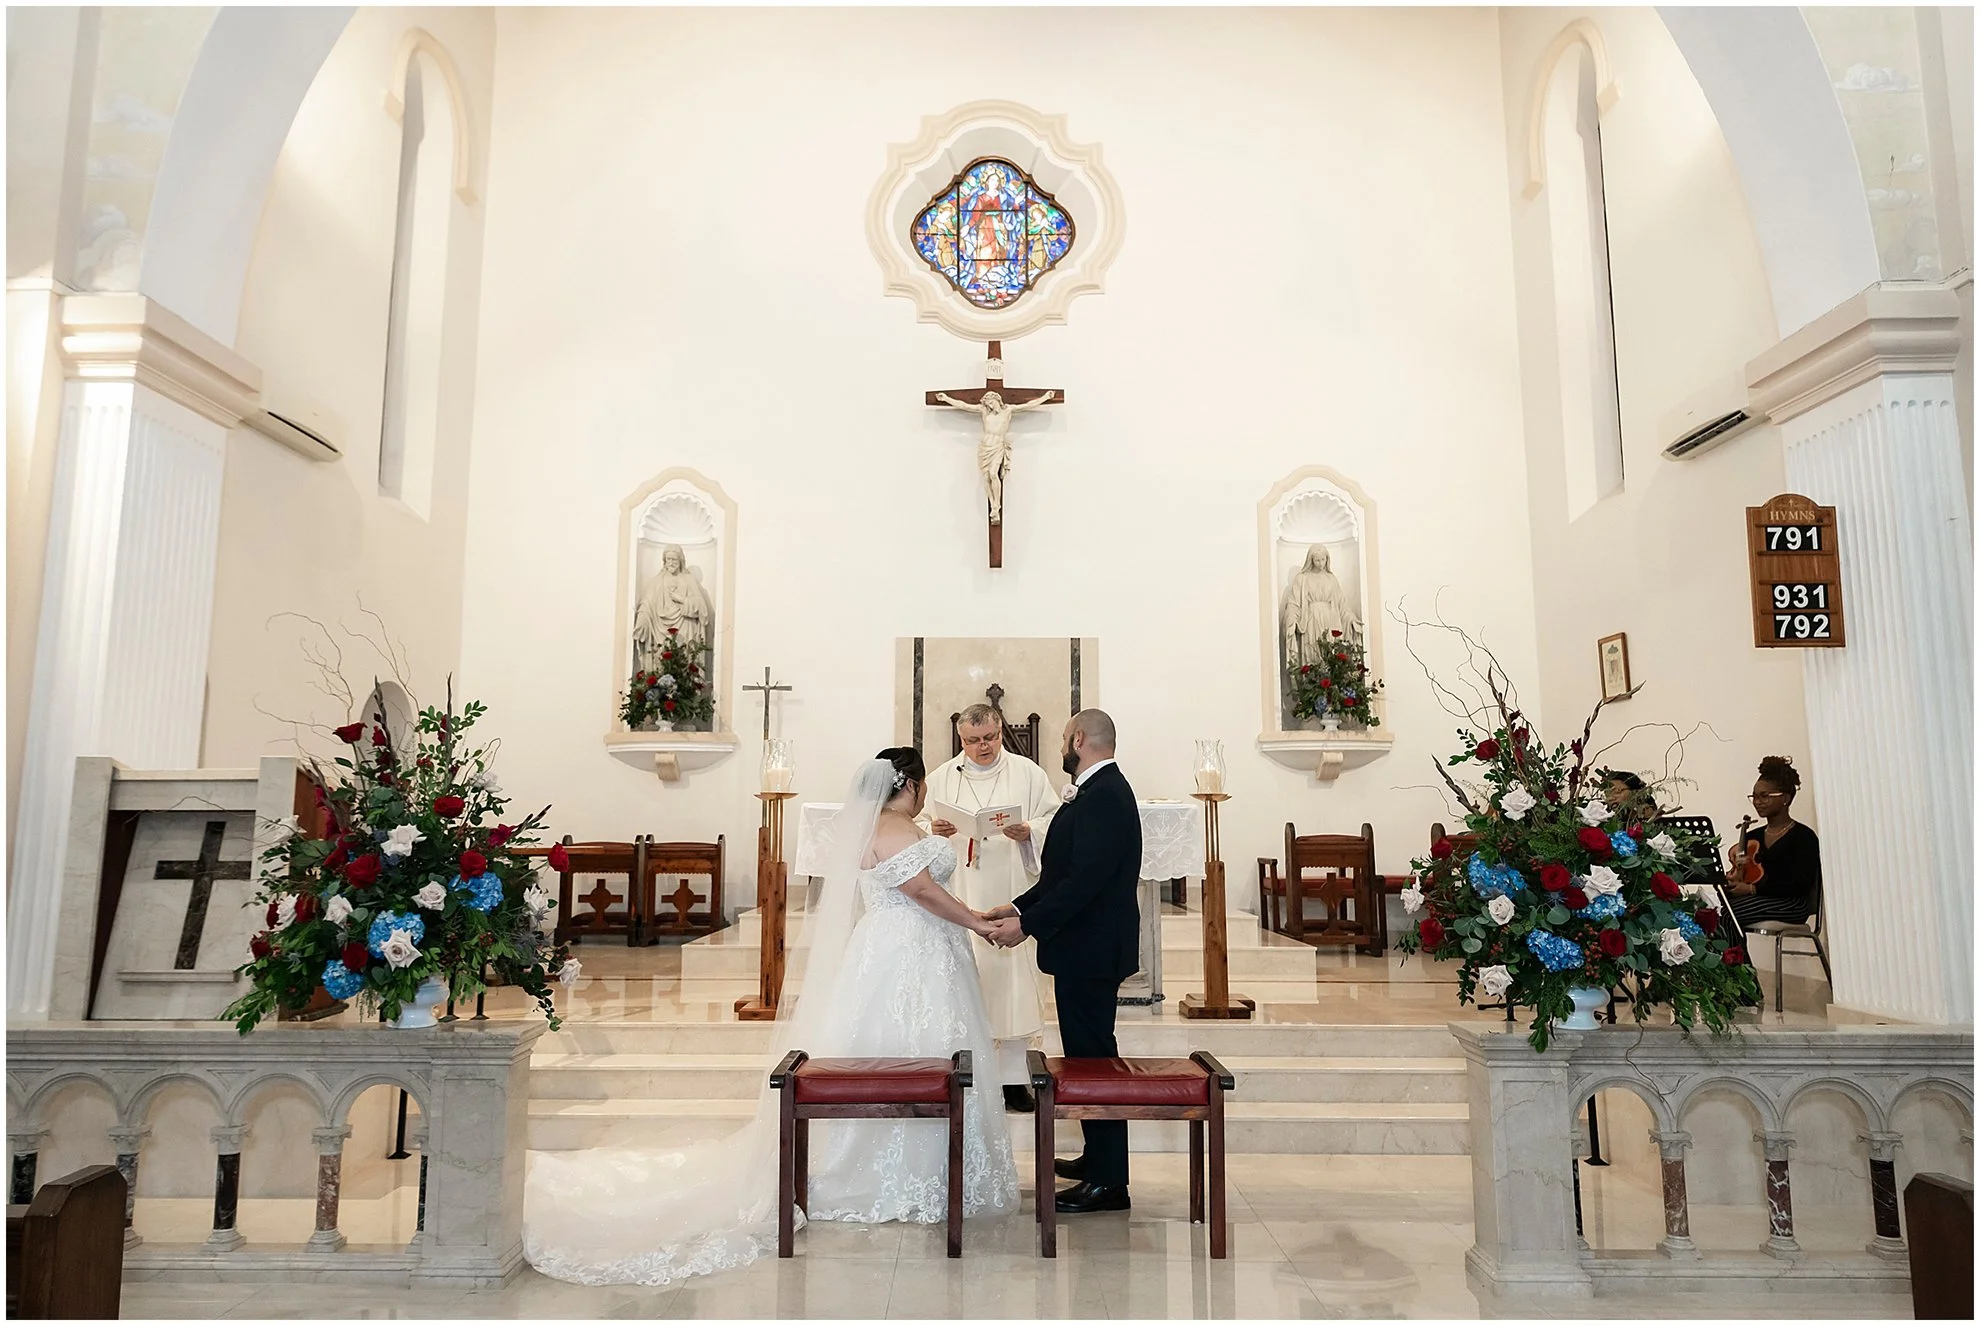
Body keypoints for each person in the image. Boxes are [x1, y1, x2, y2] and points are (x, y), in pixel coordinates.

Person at [523, 749, 1019, 1286]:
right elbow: (919, 889)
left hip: (915, 950)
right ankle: (892, 1174)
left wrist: (970, 916)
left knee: (916, 1048)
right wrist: (973, 921)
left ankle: (928, 1170)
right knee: (907, 1045)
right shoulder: (895, 827)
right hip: (907, 955)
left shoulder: (892, 824)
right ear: (915, 785)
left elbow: (923, 884)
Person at [982, 709, 1142, 1215]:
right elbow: (1063, 875)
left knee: (1095, 1060)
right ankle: (1098, 1158)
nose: (1061, 749)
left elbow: (1083, 883)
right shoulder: (1097, 792)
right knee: (1086, 1055)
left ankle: (1110, 1181)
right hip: (1086, 948)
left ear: (1078, 738)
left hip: (1092, 950)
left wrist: (1025, 927)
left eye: (1064, 739)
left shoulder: (1105, 796)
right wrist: (1017, 906)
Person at [922, 704, 1059, 1113]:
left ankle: (1013, 1080)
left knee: (1011, 984)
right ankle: (970, 1075)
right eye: (972, 741)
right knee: (970, 982)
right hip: (962, 894)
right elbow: (918, 824)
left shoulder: (1028, 773)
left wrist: (1029, 832)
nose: (982, 747)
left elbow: (1054, 819)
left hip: (1011, 889)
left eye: (990, 738)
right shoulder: (942, 777)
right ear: (960, 739)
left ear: (1000, 732)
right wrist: (934, 829)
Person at [1725, 755, 1821, 929]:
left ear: (1785, 798)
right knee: (1709, 913)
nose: (1757, 802)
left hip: (1792, 904)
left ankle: (1736, 957)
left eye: (1764, 796)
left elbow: (1799, 884)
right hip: (1760, 899)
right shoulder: (1752, 836)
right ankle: (1733, 956)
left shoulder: (1804, 837)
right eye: (1754, 797)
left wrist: (1752, 890)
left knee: (1727, 915)